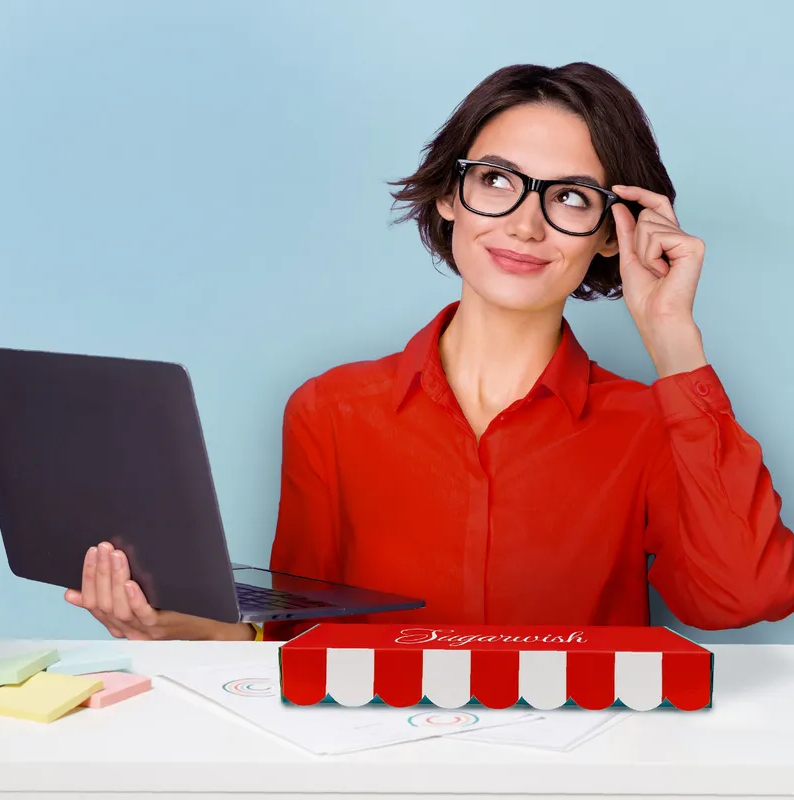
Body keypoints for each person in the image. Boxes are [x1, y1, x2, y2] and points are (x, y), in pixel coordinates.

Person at [64, 62, 794, 643]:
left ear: (613, 231)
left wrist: (673, 336)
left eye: (570, 197)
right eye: (497, 182)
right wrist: (177, 629)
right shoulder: (331, 410)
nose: (525, 225)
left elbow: (744, 596)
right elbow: (299, 641)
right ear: (450, 195)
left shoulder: (648, 425)